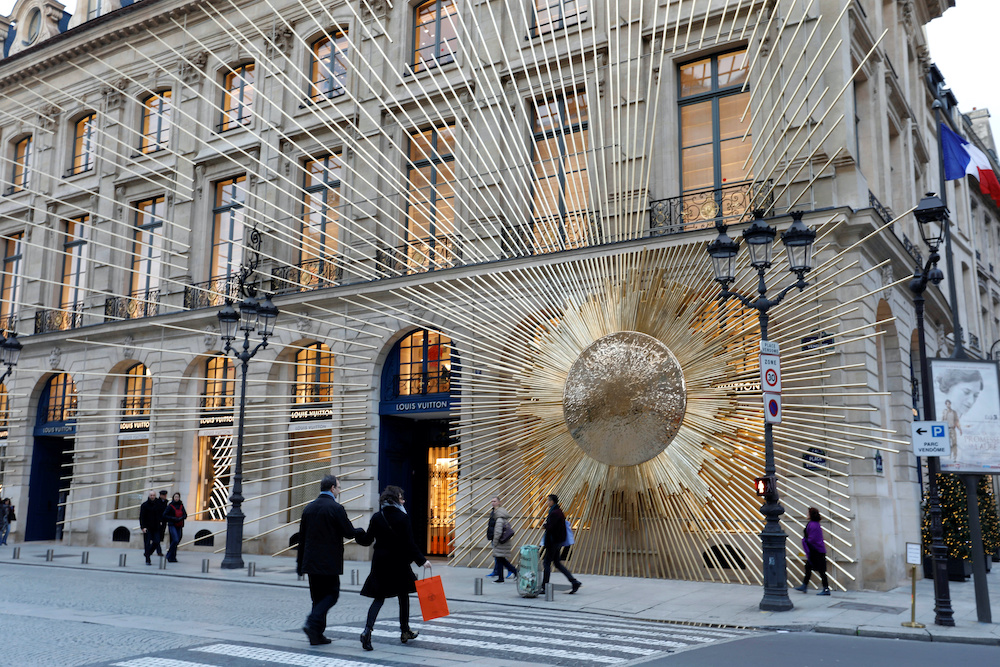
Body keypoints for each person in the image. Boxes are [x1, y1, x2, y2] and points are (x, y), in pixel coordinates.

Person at [356, 485, 432, 651]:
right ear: (395, 500)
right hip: (399, 563)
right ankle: (405, 631)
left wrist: (358, 533)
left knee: (379, 598)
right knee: (403, 596)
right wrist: (422, 560)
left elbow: (367, 540)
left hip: (381, 563)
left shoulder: (377, 517)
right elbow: (410, 543)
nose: (403, 500)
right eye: (401, 498)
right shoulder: (403, 518)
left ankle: (367, 631)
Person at [296, 474, 365, 646]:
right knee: (332, 594)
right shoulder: (336, 508)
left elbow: (302, 539)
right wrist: (361, 531)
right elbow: (348, 532)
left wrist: (300, 563)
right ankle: (312, 623)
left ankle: (316, 635)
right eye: (339, 487)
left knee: (318, 599)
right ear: (332, 488)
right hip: (328, 562)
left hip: (311, 561)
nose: (339, 491)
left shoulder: (308, 508)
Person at [541, 494, 581, 594]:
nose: (547, 502)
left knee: (546, 563)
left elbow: (551, 527)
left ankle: (544, 586)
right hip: (556, 542)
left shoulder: (555, 513)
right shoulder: (558, 511)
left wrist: (545, 525)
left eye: (548, 501)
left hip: (552, 542)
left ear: (552, 501)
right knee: (557, 563)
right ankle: (574, 581)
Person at [795, 507, 830, 595]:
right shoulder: (814, 524)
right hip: (816, 550)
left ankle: (825, 589)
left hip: (816, 551)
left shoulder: (813, 525)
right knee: (809, 568)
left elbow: (812, 539)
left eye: (808, 513)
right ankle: (804, 585)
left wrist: (806, 541)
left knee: (821, 570)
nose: (807, 514)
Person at [489, 497, 517, 583]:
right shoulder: (500, 516)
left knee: (501, 560)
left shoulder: (499, 519)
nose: (493, 503)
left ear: (499, 503)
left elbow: (498, 532)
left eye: (495, 501)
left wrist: (496, 542)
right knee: (500, 559)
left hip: (500, 542)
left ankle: (515, 572)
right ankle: (501, 577)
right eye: (492, 501)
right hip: (502, 541)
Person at [139, 491, 163, 564]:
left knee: (157, 541)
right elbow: (141, 517)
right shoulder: (144, 505)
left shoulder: (158, 504)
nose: (152, 496)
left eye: (154, 495)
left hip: (156, 527)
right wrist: (143, 527)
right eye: (151, 495)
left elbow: (161, 514)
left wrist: (160, 522)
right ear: (149, 496)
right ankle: (147, 559)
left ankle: (148, 553)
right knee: (147, 543)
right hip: (147, 527)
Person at [162, 493, 187, 563]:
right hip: (172, 524)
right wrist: (173, 518)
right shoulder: (170, 506)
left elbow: (185, 515)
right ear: (173, 497)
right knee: (175, 540)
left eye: (178, 497)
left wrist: (181, 518)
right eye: (175, 497)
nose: (176, 498)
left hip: (179, 525)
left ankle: (172, 557)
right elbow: (164, 515)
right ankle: (169, 554)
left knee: (177, 540)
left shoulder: (181, 505)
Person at [155, 490, 169, 556]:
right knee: (157, 537)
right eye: (164, 495)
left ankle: (151, 549)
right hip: (157, 521)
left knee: (160, 537)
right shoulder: (157, 502)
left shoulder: (166, 502)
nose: (165, 496)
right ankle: (158, 551)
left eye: (165, 495)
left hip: (164, 521)